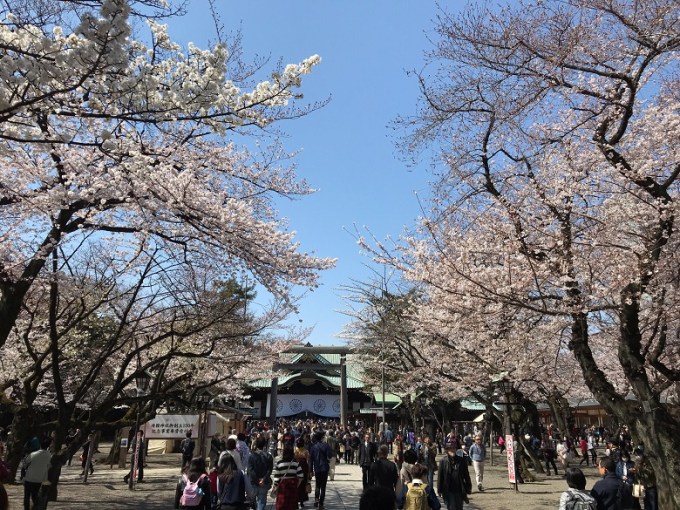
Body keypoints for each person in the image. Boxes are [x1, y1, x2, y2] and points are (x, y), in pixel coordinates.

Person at [437, 443, 471, 510]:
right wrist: (439, 489)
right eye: (450, 449)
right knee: (451, 507)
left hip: (459, 489)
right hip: (449, 489)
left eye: (453, 448)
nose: (452, 450)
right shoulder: (443, 461)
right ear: (447, 450)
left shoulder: (461, 460)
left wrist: (468, 486)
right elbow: (440, 476)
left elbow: (466, 474)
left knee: (459, 507)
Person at [22, 437, 51, 510]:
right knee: (35, 496)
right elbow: (49, 466)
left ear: (40, 445)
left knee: (27, 496)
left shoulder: (33, 454)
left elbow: (25, 464)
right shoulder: (49, 455)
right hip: (39, 479)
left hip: (29, 478)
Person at [272, 444, 303, 510]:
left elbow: (276, 478)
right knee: (291, 507)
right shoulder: (296, 463)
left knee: (282, 506)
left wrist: (274, 487)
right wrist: (297, 485)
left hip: (282, 488)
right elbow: (301, 476)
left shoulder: (279, 463)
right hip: (293, 488)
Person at [248, 435, 274, 510]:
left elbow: (250, 470)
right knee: (261, 501)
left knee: (253, 501)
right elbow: (270, 470)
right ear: (265, 445)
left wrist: (257, 480)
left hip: (254, 482)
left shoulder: (251, 456)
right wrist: (263, 479)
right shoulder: (268, 456)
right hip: (264, 482)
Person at [309, 432, 331, 510]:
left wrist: (311, 470)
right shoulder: (326, 445)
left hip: (317, 468)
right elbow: (329, 455)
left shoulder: (313, 447)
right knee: (323, 486)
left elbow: (310, 460)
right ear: (322, 437)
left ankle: (316, 499)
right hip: (324, 467)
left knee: (317, 485)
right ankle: (321, 504)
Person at [294, 437, 310, 509]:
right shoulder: (306, 451)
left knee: (297, 485)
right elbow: (308, 461)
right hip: (304, 469)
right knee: (303, 485)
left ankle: (296, 501)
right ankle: (302, 501)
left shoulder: (295, 451)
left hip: (296, 469)